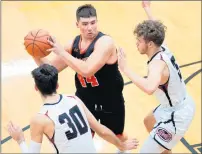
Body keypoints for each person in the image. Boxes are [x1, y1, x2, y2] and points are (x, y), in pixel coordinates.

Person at [33, 4, 128, 146]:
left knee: (118, 138)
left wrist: (62, 52)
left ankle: (123, 149)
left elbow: (87, 70)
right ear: (77, 24)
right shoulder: (73, 45)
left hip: (110, 101)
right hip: (85, 100)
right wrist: (35, 53)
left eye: (93, 22)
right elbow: (49, 70)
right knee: (81, 140)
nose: (90, 28)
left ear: (97, 22)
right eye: (85, 24)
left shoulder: (105, 43)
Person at [117, 1, 195, 153]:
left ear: (150, 44)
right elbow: (156, 28)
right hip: (178, 103)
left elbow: (149, 88)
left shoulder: (157, 65)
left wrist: (125, 68)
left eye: (139, 41)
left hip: (176, 116)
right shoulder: (161, 45)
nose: (137, 44)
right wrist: (147, 9)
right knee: (149, 121)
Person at [7, 64, 139, 153]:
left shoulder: (40, 119)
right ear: (57, 85)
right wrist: (120, 145)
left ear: (36, 88)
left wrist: (20, 140)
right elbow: (102, 131)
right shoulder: (74, 99)